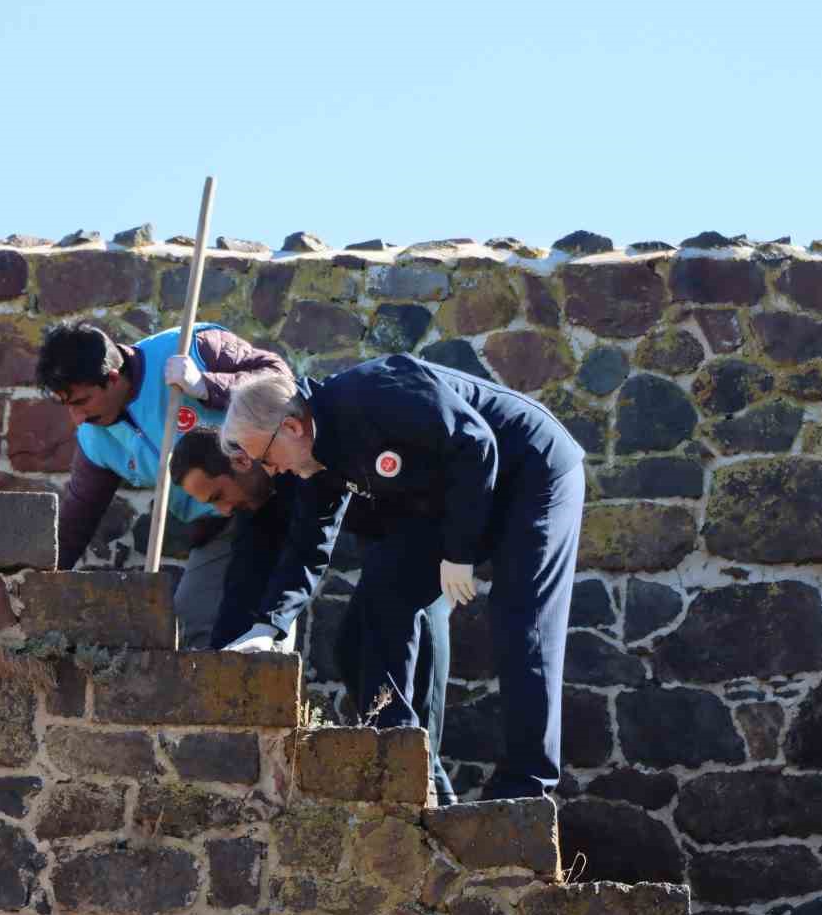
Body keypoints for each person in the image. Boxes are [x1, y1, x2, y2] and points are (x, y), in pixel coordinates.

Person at [219, 356, 585, 800]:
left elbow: (476, 442)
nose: (271, 471)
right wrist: (269, 626)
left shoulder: (376, 393)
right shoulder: (316, 458)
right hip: (452, 497)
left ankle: (525, 787)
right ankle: (407, 765)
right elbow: (308, 544)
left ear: (292, 428)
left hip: (529, 469)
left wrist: (459, 552)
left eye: (266, 458)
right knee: (374, 608)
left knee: (521, 621)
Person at [169, 427, 458, 804]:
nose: (222, 510)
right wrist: (224, 668)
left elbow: (307, 554)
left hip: (420, 533)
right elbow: (243, 586)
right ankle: (430, 797)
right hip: (383, 548)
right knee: (352, 653)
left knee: (402, 687)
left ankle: (435, 802)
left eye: (220, 495)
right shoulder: (258, 504)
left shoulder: (304, 463)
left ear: (242, 462)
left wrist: (271, 625)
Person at [35, 318, 287, 648]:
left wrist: (207, 386)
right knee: (191, 624)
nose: (77, 418)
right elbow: (75, 520)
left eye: (81, 402)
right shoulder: (94, 441)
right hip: (215, 527)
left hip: (268, 498)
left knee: (264, 622)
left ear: (112, 379)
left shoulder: (191, 347)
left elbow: (279, 380)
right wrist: (37, 588)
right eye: (67, 405)